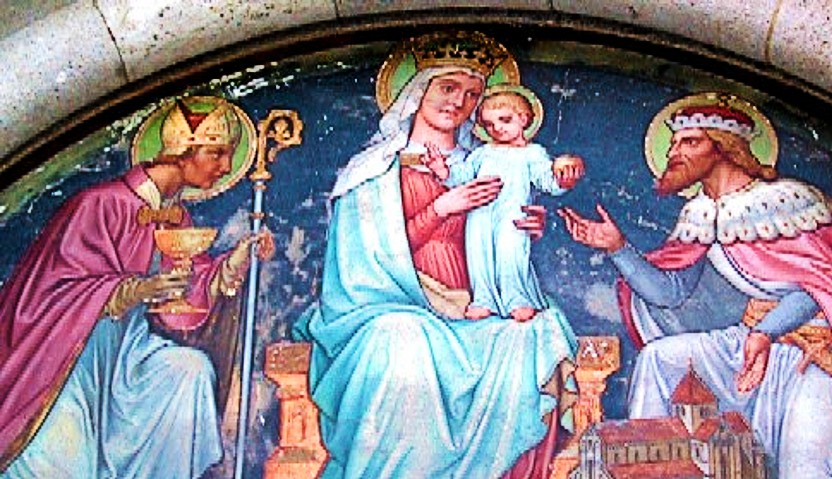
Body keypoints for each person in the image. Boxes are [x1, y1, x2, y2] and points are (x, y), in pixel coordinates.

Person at [292, 31, 583, 478]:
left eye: (472, 95)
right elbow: (362, 260)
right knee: (402, 338)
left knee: (529, 336)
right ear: (417, 91)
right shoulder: (372, 173)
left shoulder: (489, 162)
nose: (458, 103)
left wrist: (525, 224)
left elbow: (502, 227)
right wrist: (441, 208)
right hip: (388, 306)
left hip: (476, 306)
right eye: (448, 88)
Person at [559, 99, 832, 478]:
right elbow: (671, 293)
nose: (674, 152)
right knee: (659, 358)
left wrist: (766, 333)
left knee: (806, 466)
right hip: (751, 341)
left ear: (723, 147)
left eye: (690, 142)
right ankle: (650, 471)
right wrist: (618, 248)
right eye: (674, 143)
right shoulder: (701, 213)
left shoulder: (789, 204)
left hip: (817, 353)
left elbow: (821, 287)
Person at [0, 97, 274, 478]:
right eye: (216, 153)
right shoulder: (97, 204)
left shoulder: (174, 219)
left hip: (127, 357)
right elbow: (56, 292)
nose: (226, 167)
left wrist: (233, 262)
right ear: (182, 151)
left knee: (190, 371)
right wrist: (136, 290)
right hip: (68, 360)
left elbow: (187, 294)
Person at [424, 85, 583, 321]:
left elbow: (546, 180)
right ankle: (483, 299)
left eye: (505, 120)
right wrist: (443, 171)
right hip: (479, 215)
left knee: (511, 254)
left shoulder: (532, 153)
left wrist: (562, 180)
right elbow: (463, 175)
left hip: (513, 215)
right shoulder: (483, 153)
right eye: (489, 124)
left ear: (523, 119)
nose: (497, 128)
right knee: (478, 257)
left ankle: (517, 299)